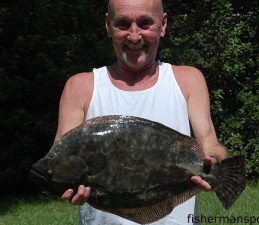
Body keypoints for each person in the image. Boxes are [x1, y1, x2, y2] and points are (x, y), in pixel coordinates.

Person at [55, 0, 228, 224]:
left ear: (163, 24)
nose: (134, 36)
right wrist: (62, 187)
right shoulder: (79, 87)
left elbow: (209, 142)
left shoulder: (188, 80)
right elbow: (61, 158)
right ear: (108, 26)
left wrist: (216, 164)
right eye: (123, 24)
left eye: (145, 23)